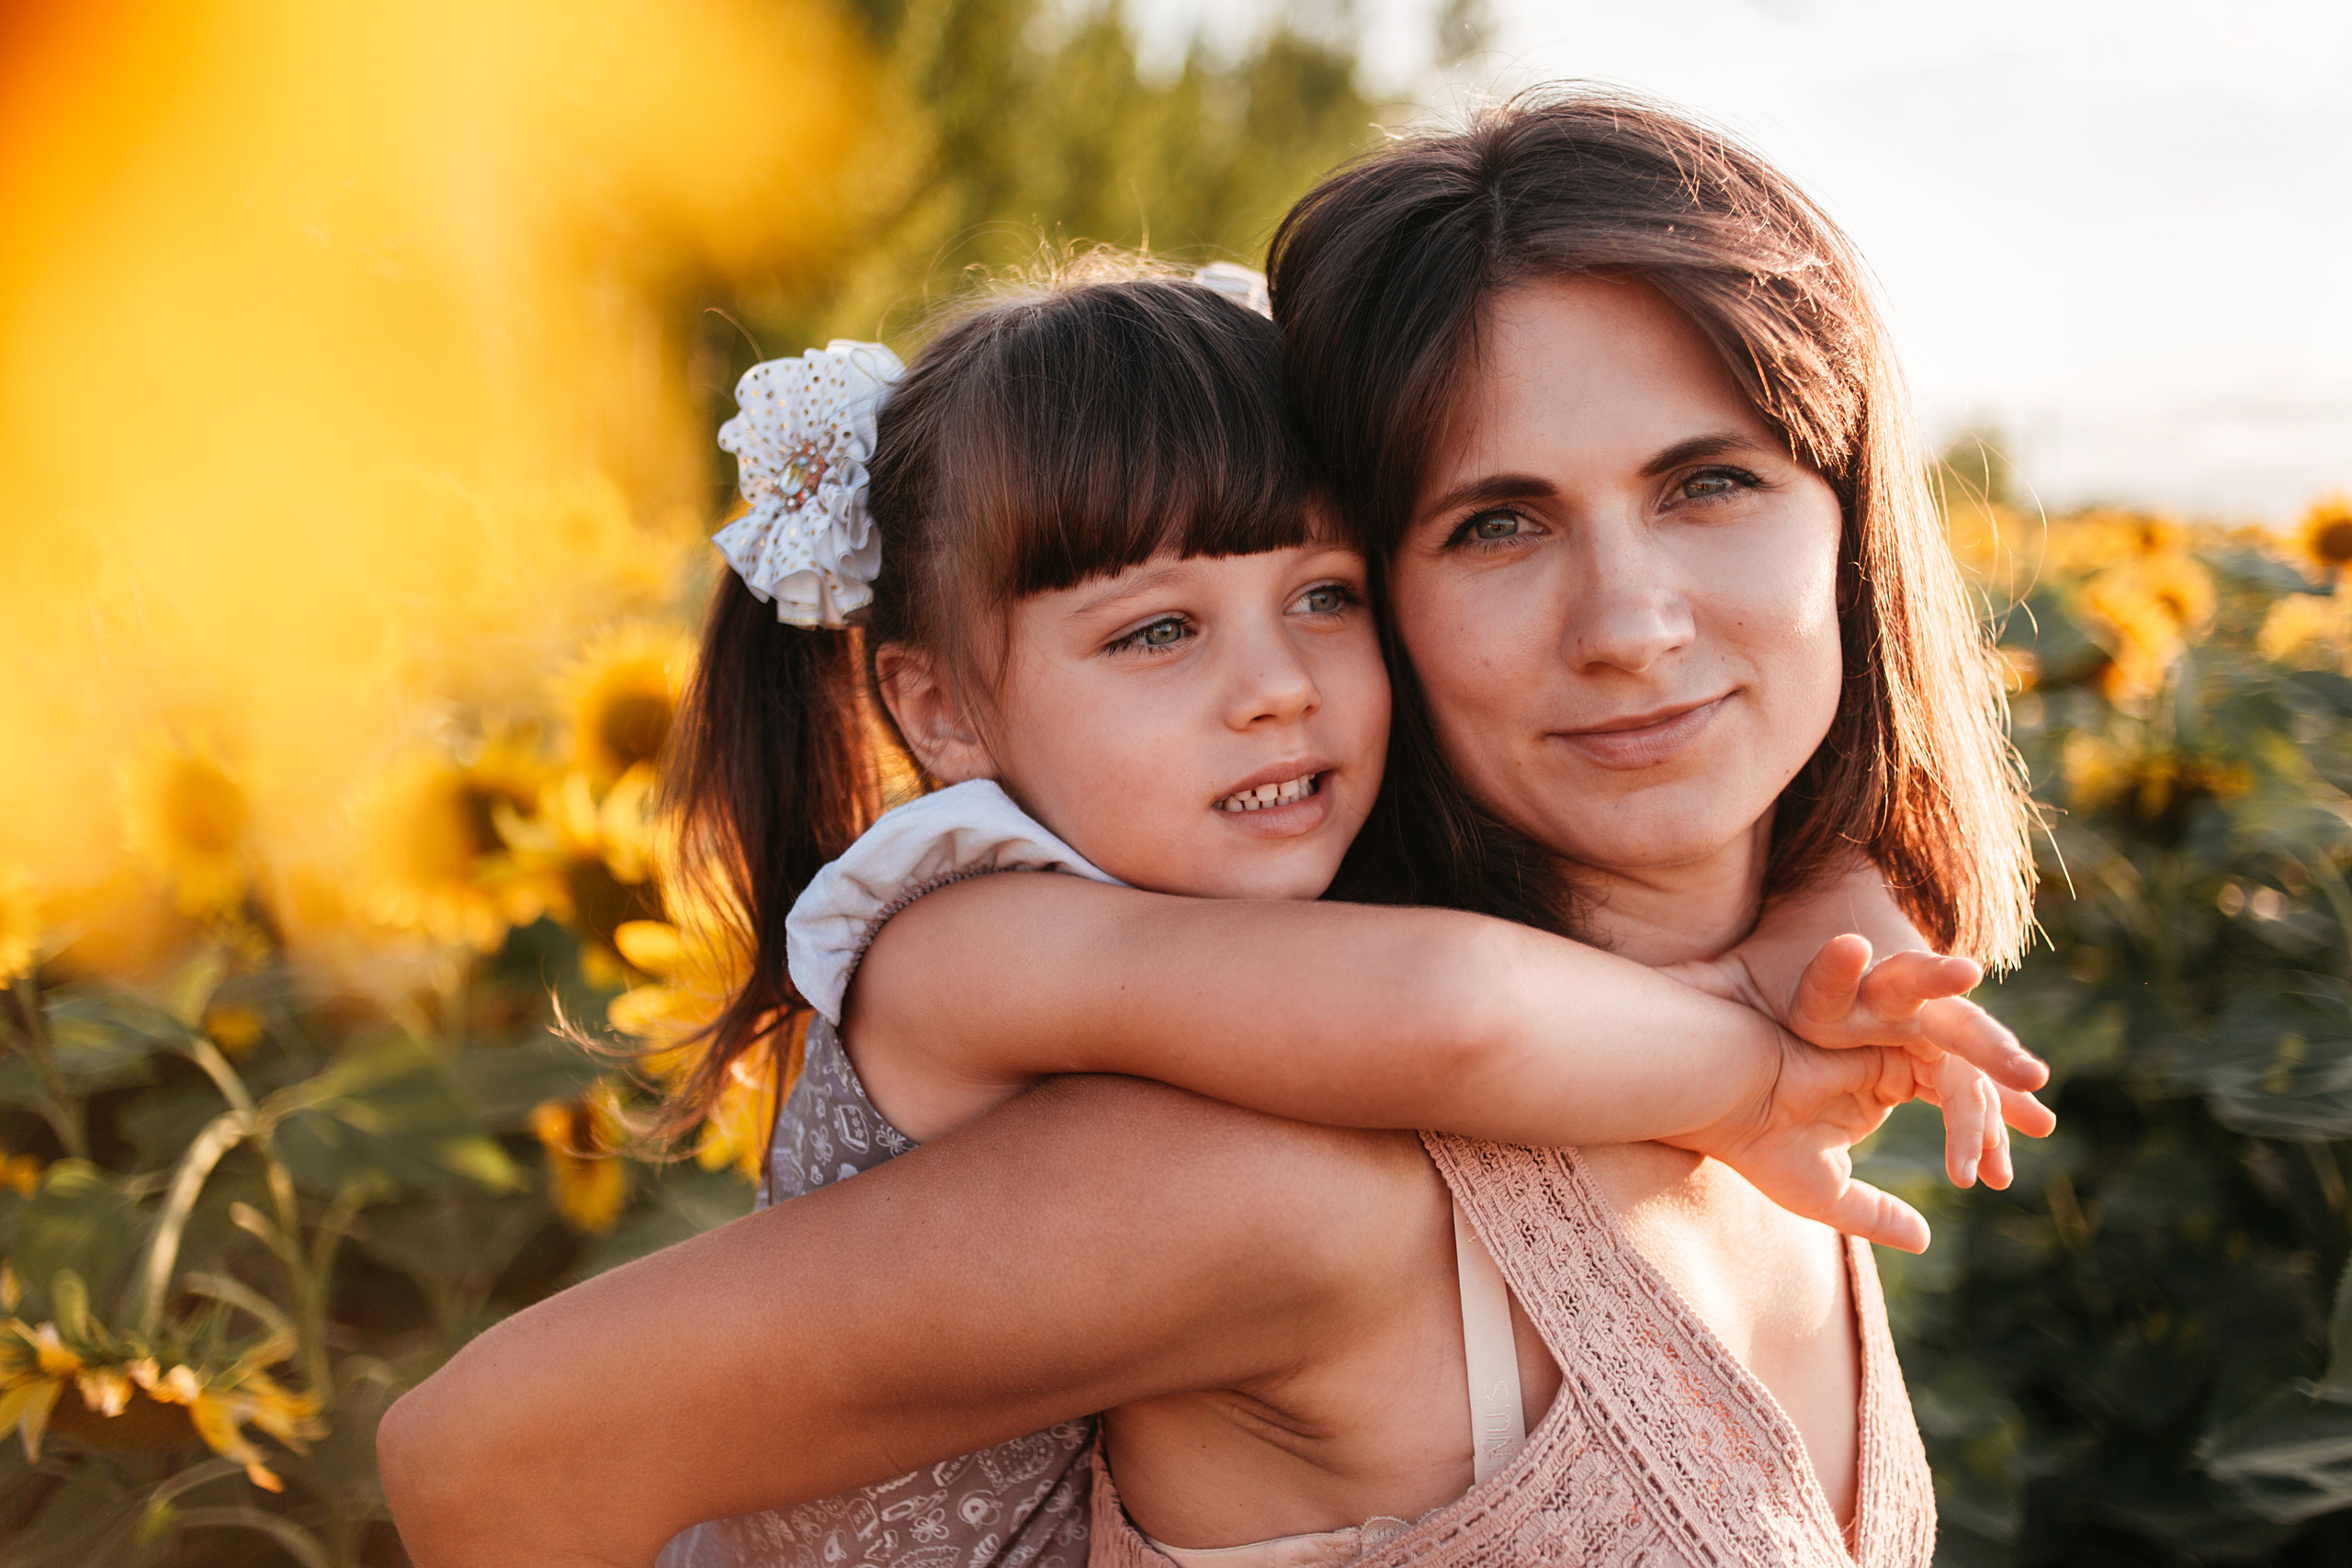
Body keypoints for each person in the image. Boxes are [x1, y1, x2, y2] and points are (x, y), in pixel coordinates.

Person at [380, 92, 2048, 1568]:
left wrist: (1822, 938)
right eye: (1495, 523)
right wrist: (1753, 1054)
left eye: (1710, 482)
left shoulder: (1778, 1008)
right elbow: (490, 1458)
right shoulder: (1255, 1168)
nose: (1630, 624)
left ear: (1850, 520)